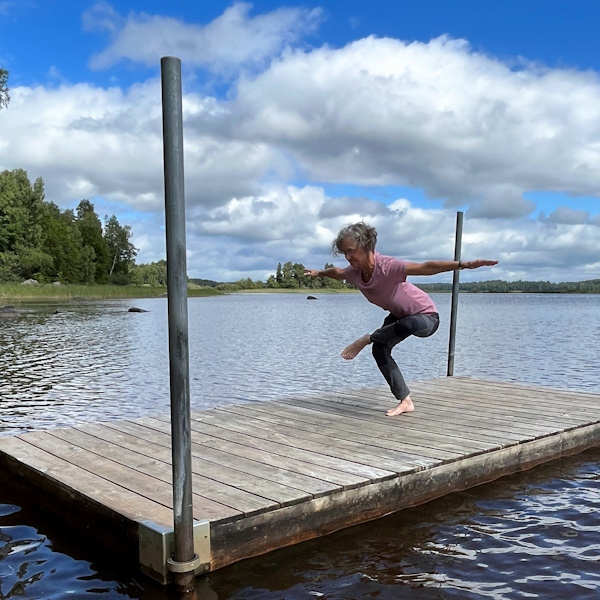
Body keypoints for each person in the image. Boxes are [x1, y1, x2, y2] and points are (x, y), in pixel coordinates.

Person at [304, 222, 498, 417]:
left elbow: (425, 267)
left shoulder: (389, 266)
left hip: (426, 317)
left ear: (367, 246)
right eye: (344, 252)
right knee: (380, 349)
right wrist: (319, 273)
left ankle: (367, 338)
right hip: (399, 317)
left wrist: (463, 264)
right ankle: (405, 401)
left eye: (351, 251)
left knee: (408, 324)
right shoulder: (354, 273)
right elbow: (337, 273)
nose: (347, 257)